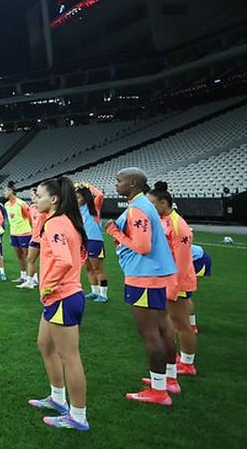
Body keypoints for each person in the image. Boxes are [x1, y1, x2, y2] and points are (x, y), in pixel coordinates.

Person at [105, 167, 177, 405]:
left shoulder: (138, 208)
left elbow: (143, 246)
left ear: (132, 183)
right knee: (163, 328)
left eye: (119, 180)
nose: (116, 184)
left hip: (144, 276)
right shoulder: (144, 205)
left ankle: (159, 391)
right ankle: (168, 379)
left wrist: (117, 233)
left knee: (150, 333)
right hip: (154, 274)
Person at [27, 176, 89, 432]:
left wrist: (49, 285)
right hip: (63, 296)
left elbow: (64, 261)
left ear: (53, 200)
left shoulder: (55, 224)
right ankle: (58, 398)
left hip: (62, 297)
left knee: (70, 357)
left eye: (39, 196)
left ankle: (78, 416)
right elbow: (81, 256)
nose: (35, 199)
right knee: (45, 345)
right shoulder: (62, 221)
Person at [147, 182, 198, 381]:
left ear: (163, 202)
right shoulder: (162, 219)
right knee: (170, 322)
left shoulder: (178, 225)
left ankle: (187, 363)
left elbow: (183, 262)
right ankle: (179, 359)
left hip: (178, 281)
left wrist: (173, 287)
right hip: (166, 280)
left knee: (181, 323)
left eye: (152, 204)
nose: (150, 208)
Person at [76, 184, 108, 303]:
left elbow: (100, 194)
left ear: (84, 197)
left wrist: (88, 186)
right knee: (88, 267)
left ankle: (103, 294)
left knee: (98, 268)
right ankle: (94, 291)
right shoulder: (77, 209)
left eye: (78, 197)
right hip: (83, 241)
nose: (77, 199)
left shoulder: (94, 206)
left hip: (95, 240)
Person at [18, 191, 47, 290]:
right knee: (30, 259)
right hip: (34, 237)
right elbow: (31, 221)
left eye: (34, 195)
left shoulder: (45, 209)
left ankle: (46, 282)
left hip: (44, 239)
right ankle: (31, 281)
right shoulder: (32, 208)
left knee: (46, 262)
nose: (31, 198)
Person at [4, 184, 32, 284]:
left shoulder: (21, 204)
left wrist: (32, 231)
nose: (4, 193)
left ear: (11, 191)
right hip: (14, 233)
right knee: (19, 256)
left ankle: (32, 278)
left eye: (6, 191)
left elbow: (29, 217)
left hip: (24, 233)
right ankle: (23, 276)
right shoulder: (6, 205)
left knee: (29, 257)